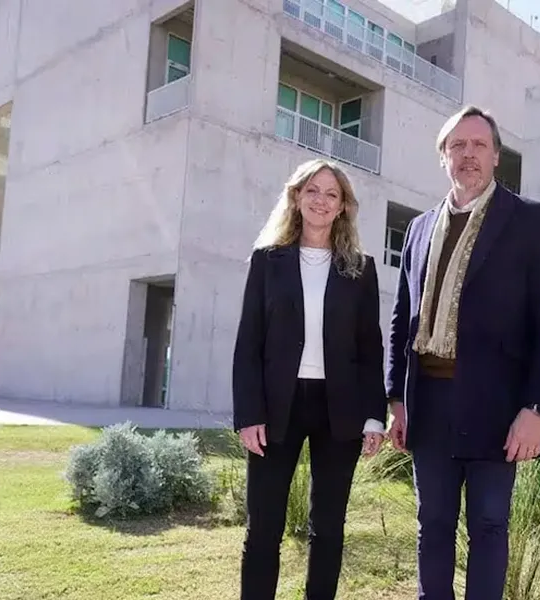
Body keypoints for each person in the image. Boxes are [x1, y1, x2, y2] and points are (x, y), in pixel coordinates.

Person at [384, 105, 540, 600]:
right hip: (428, 403)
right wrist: (397, 399)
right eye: (457, 146)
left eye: (479, 145)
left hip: (497, 407)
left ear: (495, 157)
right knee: (433, 525)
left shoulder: (531, 221)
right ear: (443, 157)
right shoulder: (419, 229)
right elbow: (403, 320)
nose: (468, 154)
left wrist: (539, 408)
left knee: (489, 527)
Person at [232, 158, 388, 600]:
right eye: (312, 191)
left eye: (331, 194)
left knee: (329, 528)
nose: (321, 200)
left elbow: (369, 348)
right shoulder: (267, 262)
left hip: (340, 408)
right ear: (297, 198)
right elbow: (249, 344)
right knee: (264, 527)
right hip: (276, 406)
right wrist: (249, 414)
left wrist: (375, 416)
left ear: (343, 207)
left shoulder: (360, 268)